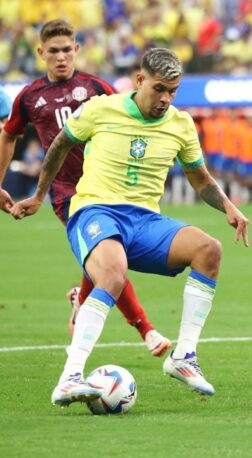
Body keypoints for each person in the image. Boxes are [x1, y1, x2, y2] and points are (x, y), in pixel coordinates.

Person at [10, 48, 250, 405]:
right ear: (140, 81)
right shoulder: (101, 109)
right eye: (159, 89)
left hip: (145, 221)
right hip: (95, 211)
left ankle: (183, 357)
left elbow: (200, 179)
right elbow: (61, 145)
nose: (166, 99)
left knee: (208, 249)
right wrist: (39, 195)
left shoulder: (180, 124)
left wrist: (228, 206)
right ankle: (69, 377)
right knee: (113, 273)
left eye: (173, 91)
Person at [0, 19, 170, 356]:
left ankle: (83, 295)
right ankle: (146, 329)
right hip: (67, 194)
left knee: (106, 258)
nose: (61, 57)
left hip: (106, 188)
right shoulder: (30, 97)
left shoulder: (96, 88)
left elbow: (130, 117)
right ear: (41, 53)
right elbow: (8, 134)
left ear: (76, 50)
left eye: (67, 50)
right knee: (111, 262)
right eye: (53, 51)